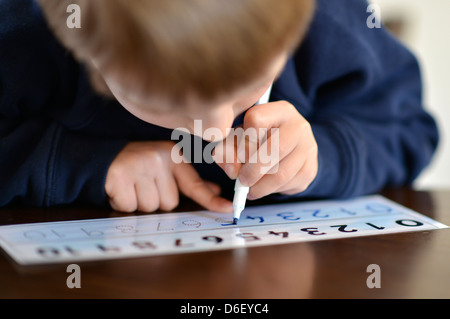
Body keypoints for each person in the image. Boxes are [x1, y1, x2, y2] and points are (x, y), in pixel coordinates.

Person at [0, 0, 438, 213]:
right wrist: (80, 164)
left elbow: (408, 127)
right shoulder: (25, 28)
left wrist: (324, 153)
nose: (213, 132)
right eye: (164, 100)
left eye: (247, 85)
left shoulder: (327, 20)